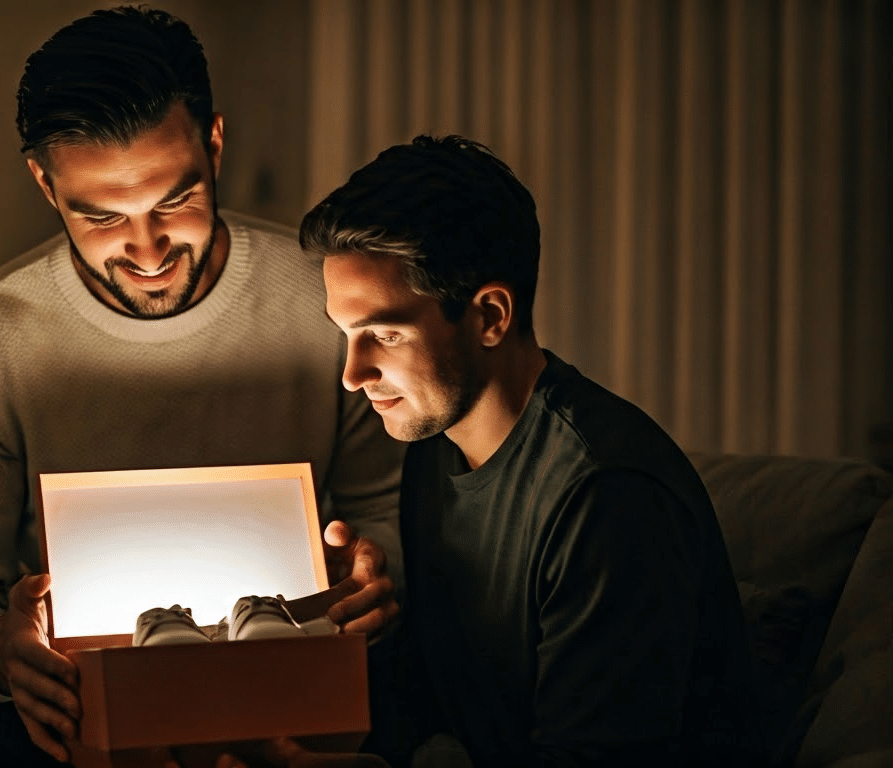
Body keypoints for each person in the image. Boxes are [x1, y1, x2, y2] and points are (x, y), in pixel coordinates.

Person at [0, 7, 405, 766]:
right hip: (92, 703)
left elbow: (388, 514)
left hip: (298, 686)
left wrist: (378, 572)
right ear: (45, 184)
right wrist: (0, 650)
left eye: (174, 201)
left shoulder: (326, 304)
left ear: (215, 144)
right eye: (101, 217)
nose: (147, 251)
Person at [241, 134, 753, 767]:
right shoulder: (435, 445)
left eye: (384, 333)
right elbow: (443, 704)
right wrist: (360, 632)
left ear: (489, 317)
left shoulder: (607, 495)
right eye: (346, 334)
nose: (352, 374)